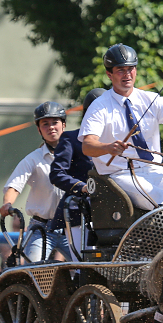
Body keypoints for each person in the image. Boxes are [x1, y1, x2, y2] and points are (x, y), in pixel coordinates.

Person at [80, 44, 163, 210]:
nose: (127, 75)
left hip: (155, 171)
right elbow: (88, 146)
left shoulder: (152, 99)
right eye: (120, 70)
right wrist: (108, 147)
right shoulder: (99, 106)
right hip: (119, 175)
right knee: (161, 200)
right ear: (109, 74)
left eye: (130, 69)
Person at [0, 101, 68, 262]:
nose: (51, 127)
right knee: (34, 271)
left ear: (63, 125)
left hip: (73, 228)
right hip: (42, 229)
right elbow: (14, 185)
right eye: (45, 124)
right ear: (39, 130)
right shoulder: (32, 159)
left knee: (91, 269)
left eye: (55, 122)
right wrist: (7, 205)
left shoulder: (78, 154)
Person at [49, 88, 103, 259]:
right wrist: (83, 188)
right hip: (80, 210)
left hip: (112, 211)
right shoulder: (71, 139)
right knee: (84, 265)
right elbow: (57, 173)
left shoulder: (115, 141)